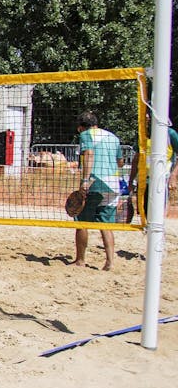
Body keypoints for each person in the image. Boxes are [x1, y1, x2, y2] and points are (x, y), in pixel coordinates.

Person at [72, 110, 124, 271]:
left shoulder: (87, 135)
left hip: (97, 182)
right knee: (106, 225)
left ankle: (80, 260)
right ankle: (109, 262)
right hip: (114, 184)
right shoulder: (113, 137)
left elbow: (89, 154)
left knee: (82, 222)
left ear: (81, 128)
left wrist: (85, 180)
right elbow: (120, 162)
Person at [127, 108, 178, 217]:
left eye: (147, 115)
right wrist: (131, 180)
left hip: (162, 178)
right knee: (144, 212)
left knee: (159, 211)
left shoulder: (170, 134)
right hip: (144, 179)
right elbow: (137, 159)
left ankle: (160, 231)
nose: (146, 118)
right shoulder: (142, 134)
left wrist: (173, 176)